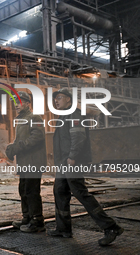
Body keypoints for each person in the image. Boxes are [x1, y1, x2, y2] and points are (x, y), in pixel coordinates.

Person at [47, 88, 124, 246]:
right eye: (55, 98)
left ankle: (111, 227)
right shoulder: (64, 115)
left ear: (69, 99)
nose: (56, 101)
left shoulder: (74, 114)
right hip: (63, 163)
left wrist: (73, 156)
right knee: (60, 191)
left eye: (59, 97)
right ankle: (63, 229)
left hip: (71, 162)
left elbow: (78, 136)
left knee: (80, 193)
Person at [5, 91, 47, 233]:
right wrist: (12, 147)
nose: (16, 105)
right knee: (23, 190)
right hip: (25, 163)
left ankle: (37, 221)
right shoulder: (21, 120)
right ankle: (27, 217)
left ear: (28, 103)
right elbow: (20, 141)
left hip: (34, 162)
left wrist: (19, 147)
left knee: (32, 191)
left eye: (19, 102)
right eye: (15, 102)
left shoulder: (35, 117)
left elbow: (37, 137)